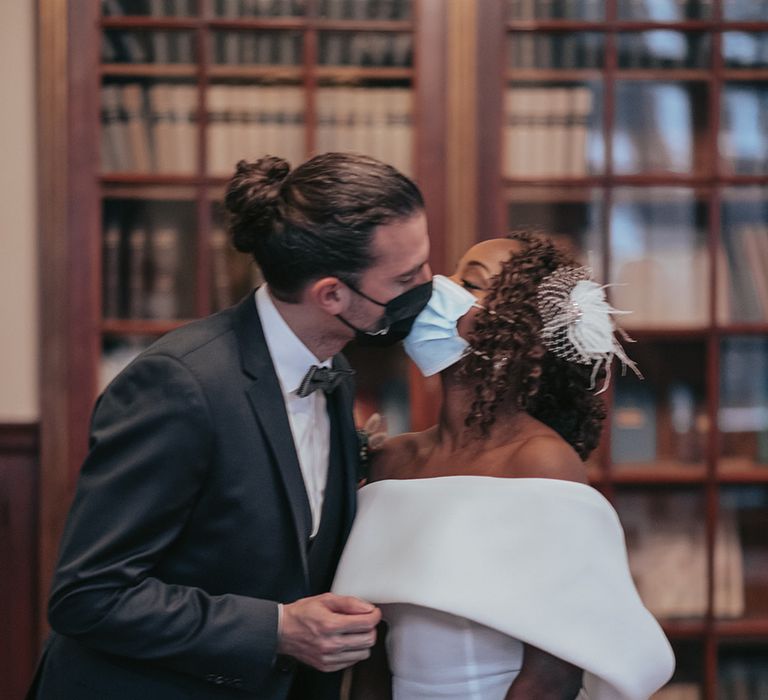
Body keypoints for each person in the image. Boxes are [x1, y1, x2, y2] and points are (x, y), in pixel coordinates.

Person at [28, 153, 433, 700]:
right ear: (332, 295)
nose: (430, 286)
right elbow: (89, 594)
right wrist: (278, 629)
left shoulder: (331, 368)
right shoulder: (179, 385)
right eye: (408, 278)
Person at [332, 232, 676, 700]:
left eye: (469, 284)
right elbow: (371, 650)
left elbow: (553, 673)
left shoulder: (541, 462)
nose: (438, 286)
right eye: (453, 271)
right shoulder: (394, 460)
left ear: (522, 333)